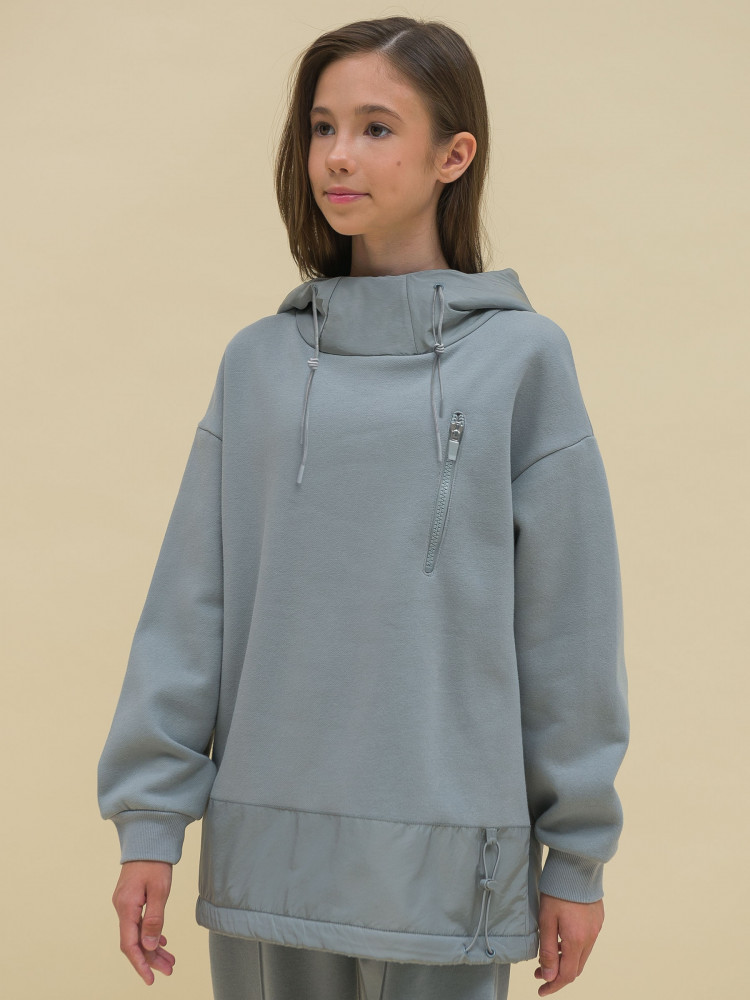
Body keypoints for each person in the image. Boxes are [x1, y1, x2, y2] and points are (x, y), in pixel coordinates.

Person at [98, 15, 629, 1000]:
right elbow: (190, 609)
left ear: (453, 155)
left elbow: (569, 629)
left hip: (448, 869)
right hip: (267, 865)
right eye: (321, 127)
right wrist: (149, 823)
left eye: (377, 128)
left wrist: (578, 857)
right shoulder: (258, 365)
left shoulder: (522, 361)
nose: (337, 156)